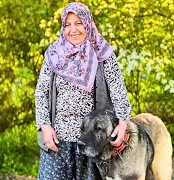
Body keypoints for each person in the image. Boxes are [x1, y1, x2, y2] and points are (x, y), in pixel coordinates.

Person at [35, 2, 132, 180]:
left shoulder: (103, 53)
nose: (73, 29)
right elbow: (41, 92)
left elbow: (118, 89)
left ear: (88, 23)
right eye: (67, 24)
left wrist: (123, 123)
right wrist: (45, 126)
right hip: (57, 140)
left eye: (78, 22)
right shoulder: (54, 54)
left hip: (93, 140)